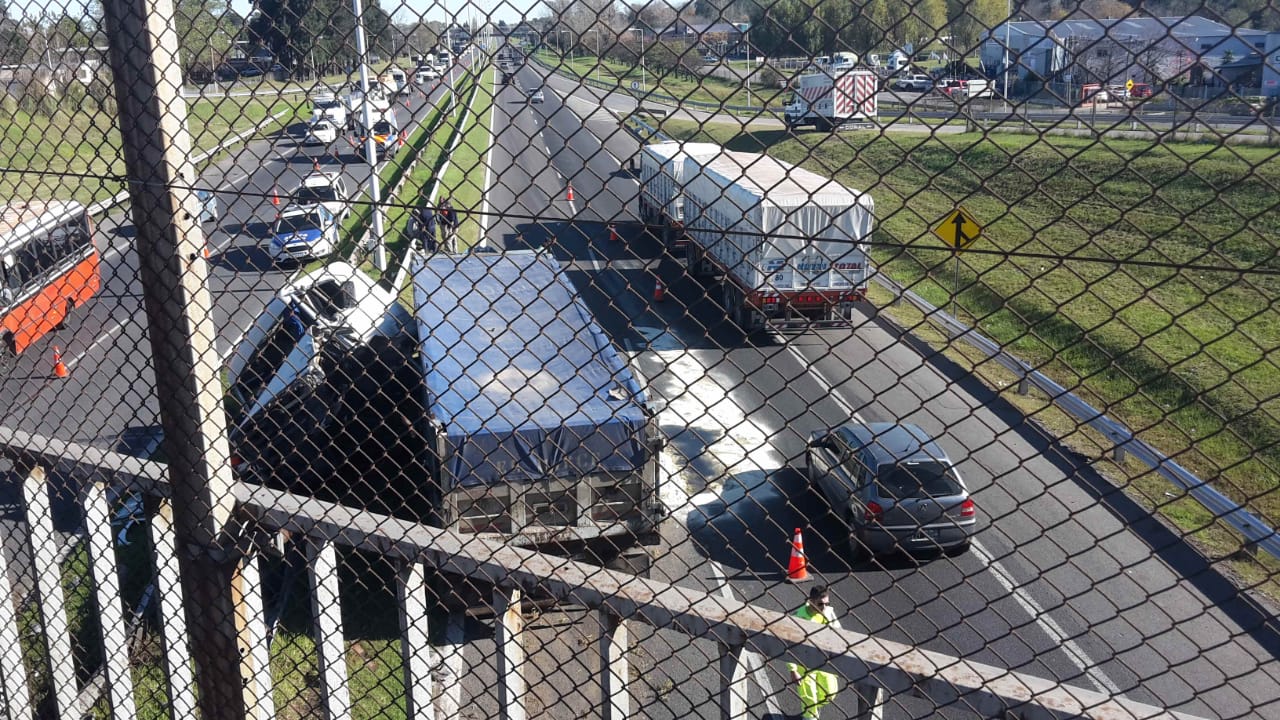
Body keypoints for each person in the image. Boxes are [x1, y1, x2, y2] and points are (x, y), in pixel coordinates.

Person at [787, 585, 841, 720]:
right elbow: (789, 645)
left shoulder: (828, 613)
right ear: (811, 601)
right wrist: (793, 670)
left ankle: (815, 709)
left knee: (830, 693)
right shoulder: (799, 617)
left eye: (827, 603)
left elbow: (839, 633)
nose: (824, 607)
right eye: (821, 604)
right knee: (809, 700)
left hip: (824, 662)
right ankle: (810, 715)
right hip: (804, 665)